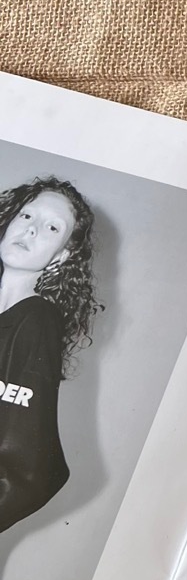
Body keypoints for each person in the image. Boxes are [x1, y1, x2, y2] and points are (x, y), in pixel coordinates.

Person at [0, 177, 99, 534]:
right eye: (27, 216)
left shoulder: (37, 321)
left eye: (51, 227)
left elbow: (33, 471)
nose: (31, 229)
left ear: (60, 256)